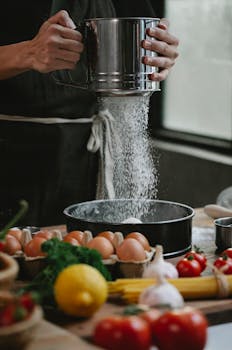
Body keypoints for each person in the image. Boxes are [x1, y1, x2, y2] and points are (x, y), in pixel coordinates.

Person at [0, 0, 179, 226]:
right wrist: (27, 52)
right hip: (10, 153)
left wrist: (161, 56)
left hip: (86, 153)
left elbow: (151, 39)